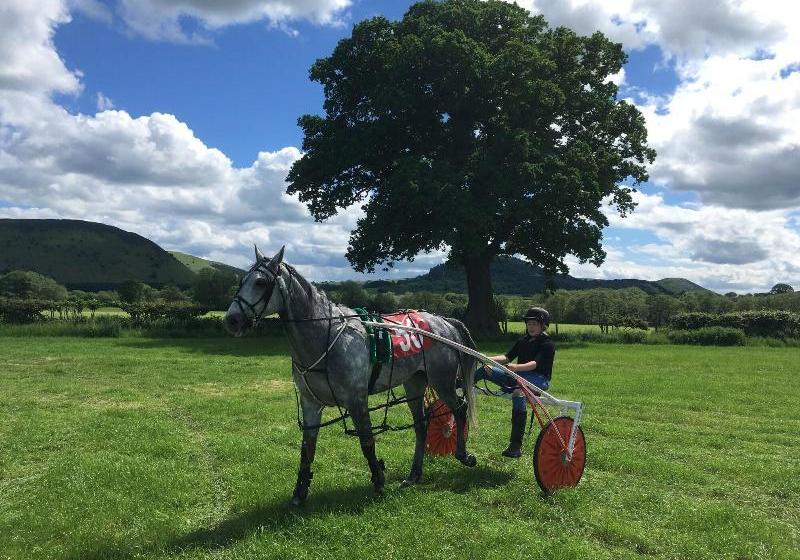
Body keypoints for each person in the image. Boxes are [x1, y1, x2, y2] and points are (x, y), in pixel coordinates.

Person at [473, 307, 555, 458]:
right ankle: (460, 387)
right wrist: (485, 358)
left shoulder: (547, 343)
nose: (531, 327)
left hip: (538, 379)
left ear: (543, 325)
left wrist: (516, 367)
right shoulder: (523, 340)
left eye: (535, 324)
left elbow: (534, 364)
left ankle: (515, 446)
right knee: (485, 369)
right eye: (529, 324)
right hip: (517, 375)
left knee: (518, 393)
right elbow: (506, 357)